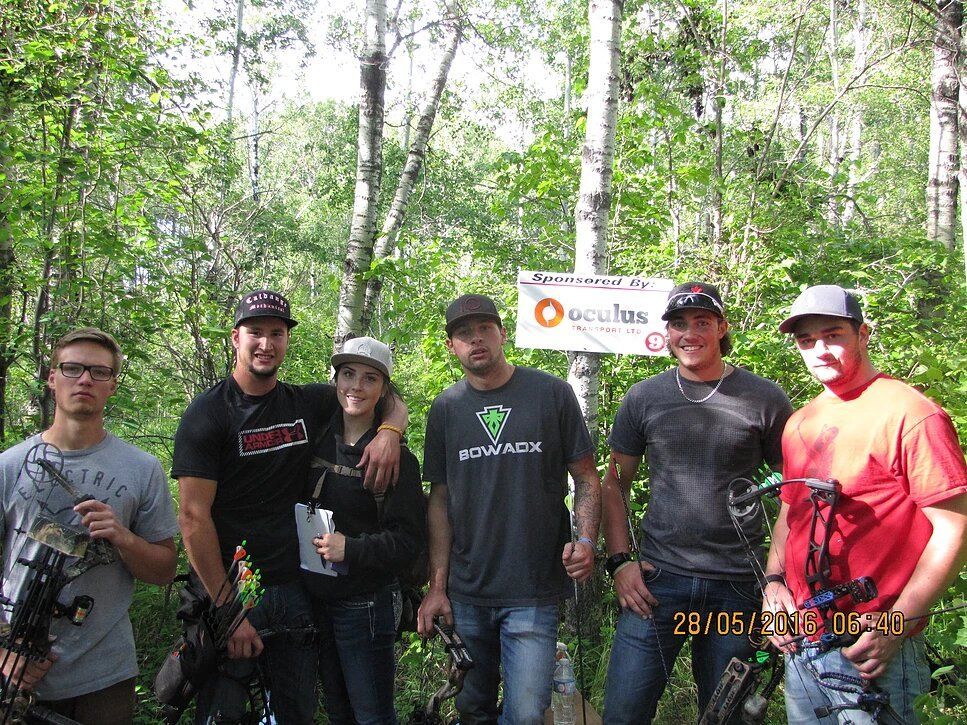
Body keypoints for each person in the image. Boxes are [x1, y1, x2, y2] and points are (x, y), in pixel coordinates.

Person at [173, 290, 407, 724]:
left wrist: (390, 432)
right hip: (233, 590)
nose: (266, 343)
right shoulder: (208, 414)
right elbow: (192, 519)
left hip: (296, 590)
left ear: (286, 341)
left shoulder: (306, 402)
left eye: (276, 334)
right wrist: (228, 608)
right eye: (255, 332)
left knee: (296, 711)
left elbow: (377, 392)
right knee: (223, 714)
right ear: (235, 338)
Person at [763, 284, 967, 723]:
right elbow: (789, 515)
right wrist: (773, 584)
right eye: (806, 340)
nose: (819, 350)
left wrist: (898, 623)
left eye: (833, 335)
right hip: (803, 638)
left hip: (873, 645)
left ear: (863, 333)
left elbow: (954, 527)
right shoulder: (801, 421)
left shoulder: (910, 414)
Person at [600, 282, 793, 724]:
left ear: (722, 328)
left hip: (737, 586)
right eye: (679, 324)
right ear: (667, 333)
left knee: (725, 717)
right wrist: (620, 561)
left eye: (702, 322)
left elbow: (793, 491)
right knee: (623, 713)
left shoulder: (764, 398)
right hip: (657, 583)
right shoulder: (644, 397)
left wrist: (776, 578)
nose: (690, 333)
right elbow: (614, 483)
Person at [416, 293, 601, 725]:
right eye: (464, 333)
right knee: (472, 709)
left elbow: (587, 477)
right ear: (451, 346)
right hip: (467, 591)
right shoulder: (446, 408)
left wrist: (587, 540)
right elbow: (439, 502)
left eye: (485, 328)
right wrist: (437, 587)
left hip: (533, 589)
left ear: (502, 333)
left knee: (526, 714)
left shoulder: (550, 393)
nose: (476, 339)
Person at [0, 328, 178, 724]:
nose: (84, 380)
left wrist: (123, 537)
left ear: (112, 385)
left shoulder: (141, 468)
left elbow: (164, 570)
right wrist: (4, 651)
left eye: (99, 372)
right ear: (52, 378)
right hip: (14, 670)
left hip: (104, 675)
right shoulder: (9, 467)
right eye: (72, 368)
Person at [302, 336, 426, 725]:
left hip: (366, 605)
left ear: (384, 390)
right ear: (335, 379)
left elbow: (408, 541)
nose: (356, 386)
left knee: (372, 715)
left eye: (370, 378)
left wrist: (351, 549)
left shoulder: (397, 459)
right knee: (339, 712)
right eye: (348, 374)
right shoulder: (316, 437)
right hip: (316, 600)